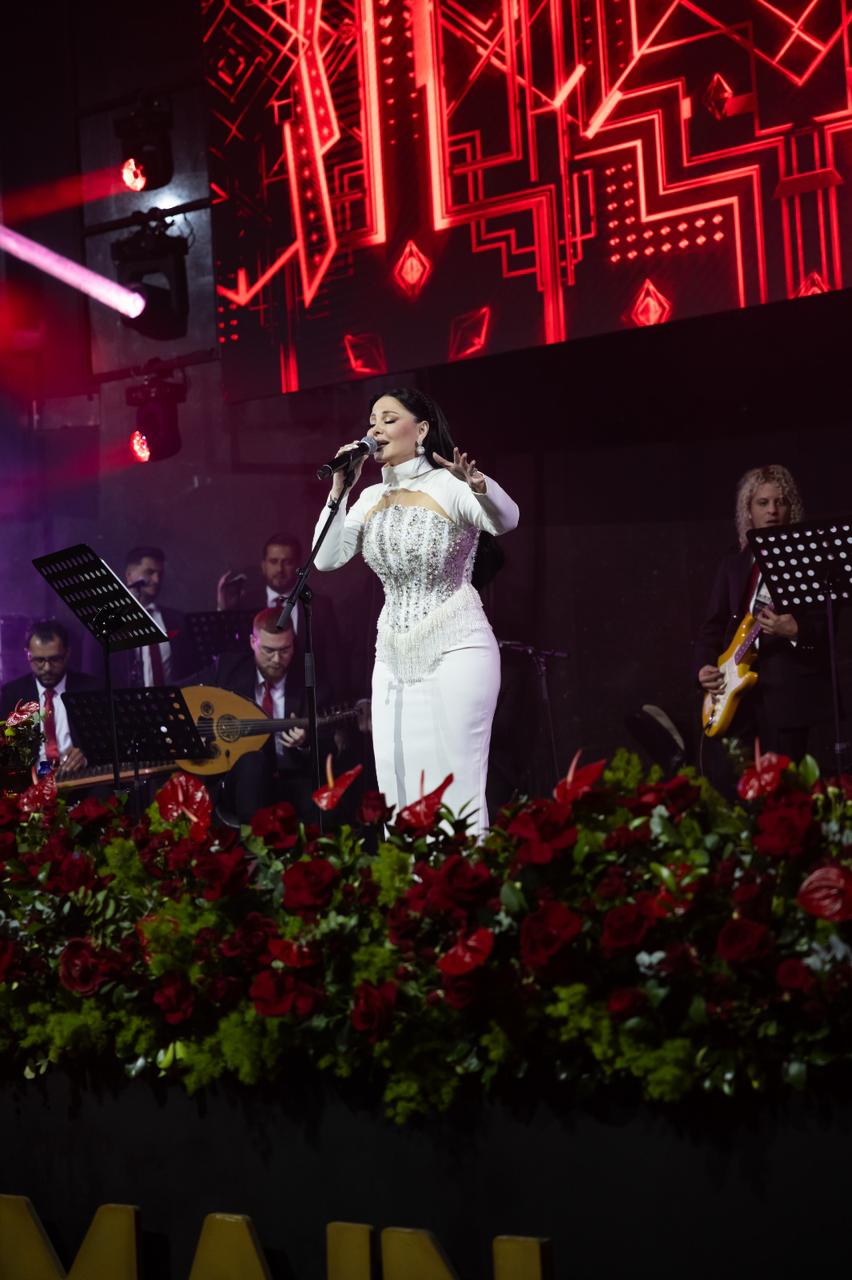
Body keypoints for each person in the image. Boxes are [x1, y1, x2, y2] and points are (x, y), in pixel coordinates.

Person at [312, 386, 519, 836]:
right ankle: (410, 879)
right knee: (396, 782)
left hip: (456, 646)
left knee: (456, 787)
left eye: (389, 419)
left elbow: (506, 520)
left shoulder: (449, 485)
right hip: (392, 655)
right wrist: (339, 492)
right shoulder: (370, 498)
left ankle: (462, 874)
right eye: (372, 422)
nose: (376, 430)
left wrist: (478, 485)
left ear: (421, 430)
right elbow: (326, 559)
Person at [695, 464, 832, 764]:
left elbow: (829, 628)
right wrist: (704, 666)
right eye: (763, 502)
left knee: (784, 784)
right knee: (737, 784)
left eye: (780, 502)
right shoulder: (733, 561)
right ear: (748, 510)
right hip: (735, 695)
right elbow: (712, 627)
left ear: (791, 509)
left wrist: (795, 631)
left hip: (785, 696)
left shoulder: (808, 558)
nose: (772, 510)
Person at [192, 608, 312, 824]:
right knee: (253, 762)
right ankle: (253, 841)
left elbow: (327, 742)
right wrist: (197, 732)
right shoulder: (228, 670)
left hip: (289, 775)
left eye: (285, 650)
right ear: (252, 642)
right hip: (240, 777)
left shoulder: (308, 678)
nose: (277, 659)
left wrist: (304, 743)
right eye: (268, 650)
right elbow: (183, 695)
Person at [216, 533, 345, 701]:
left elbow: (334, 661)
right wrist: (224, 610)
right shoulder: (246, 603)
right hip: (255, 697)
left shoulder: (319, 606)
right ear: (263, 565)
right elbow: (228, 657)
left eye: (287, 562)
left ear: (298, 567)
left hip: (306, 698)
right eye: (273, 561)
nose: (279, 569)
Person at [0, 620, 100, 776]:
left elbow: (109, 745)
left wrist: (87, 756)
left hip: (80, 777)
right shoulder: (12, 694)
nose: (47, 668)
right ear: (28, 655)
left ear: (67, 654)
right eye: (39, 660)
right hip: (31, 780)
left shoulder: (91, 690)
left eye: (55, 659)